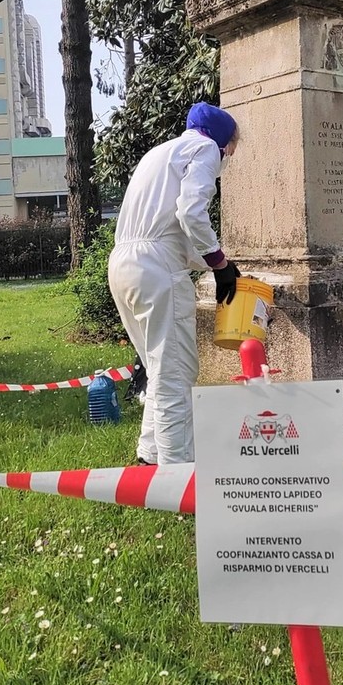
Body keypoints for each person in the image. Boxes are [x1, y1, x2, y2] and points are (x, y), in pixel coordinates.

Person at [108, 102, 241, 465]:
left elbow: (169, 232)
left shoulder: (160, 154)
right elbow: (191, 212)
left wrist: (222, 263)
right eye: (231, 147)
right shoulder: (206, 148)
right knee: (176, 373)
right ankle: (177, 473)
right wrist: (218, 263)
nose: (229, 156)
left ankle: (149, 457)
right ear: (221, 139)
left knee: (159, 368)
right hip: (156, 270)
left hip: (124, 264)